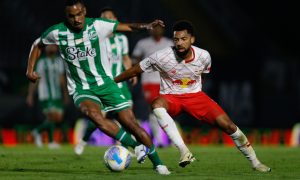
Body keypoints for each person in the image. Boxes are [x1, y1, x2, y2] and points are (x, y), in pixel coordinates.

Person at [25, 0, 169, 175]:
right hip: (81, 88)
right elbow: (37, 44)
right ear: (66, 16)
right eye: (71, 16)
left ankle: (159, 164)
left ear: (84, 11)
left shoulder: (97, 26)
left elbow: (128, 27)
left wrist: (147, 26)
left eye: (79, 14)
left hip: (107, 84)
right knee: (95, 117)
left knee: (131, 124)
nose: (76, 19)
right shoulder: (58, 31)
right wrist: (30, 70)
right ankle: (136, 146)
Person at [114, 20, 271, 172]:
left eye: (184, 39)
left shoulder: (204, 56)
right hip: (171, 97)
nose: (179, 43)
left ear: (192, 39)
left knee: (229, 126)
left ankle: (255, 163)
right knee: (156, 105)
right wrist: (113, 81)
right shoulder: (161, 56)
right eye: (176, 39)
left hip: (195, 97)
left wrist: (195, 92)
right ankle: (183, 150)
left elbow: (203, 73)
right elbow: (135, 70)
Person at [74, 7, 138, 155]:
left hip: (120, 85)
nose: (108, 21)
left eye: (110, 18)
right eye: (104, 18)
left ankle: (123, 150)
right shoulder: (95, 39)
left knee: (129, 119)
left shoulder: (122, 39)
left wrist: (131, 73)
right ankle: (83, 141)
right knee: (98, 118)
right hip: (102, 85)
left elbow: (125, 58)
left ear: (116, 21)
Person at [132, 24, 173, 147]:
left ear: (163, 30)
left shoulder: (169, 43)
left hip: (165, 82)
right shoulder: (143, 43)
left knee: (163, 111)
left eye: (159, 28)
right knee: (154, 110)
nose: (157, 30)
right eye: (154, 28)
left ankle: (163, 139)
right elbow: (135, 59)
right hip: (149, 82)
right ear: (150, 30)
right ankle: (160, 140)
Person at [26, 44, 69, 149]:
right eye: (49, 46)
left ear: (57, 48)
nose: (52, 48)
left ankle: (36, 132)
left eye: (54, 46)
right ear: (45, 48)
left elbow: (62, 78)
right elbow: (34, 79)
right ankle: (51, 142)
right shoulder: (41, 62)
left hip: (57, 94)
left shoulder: (59, 61)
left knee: (58, 118)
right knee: (52, 116)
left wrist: (65, 94)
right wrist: (30, 95)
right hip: (45, 94)